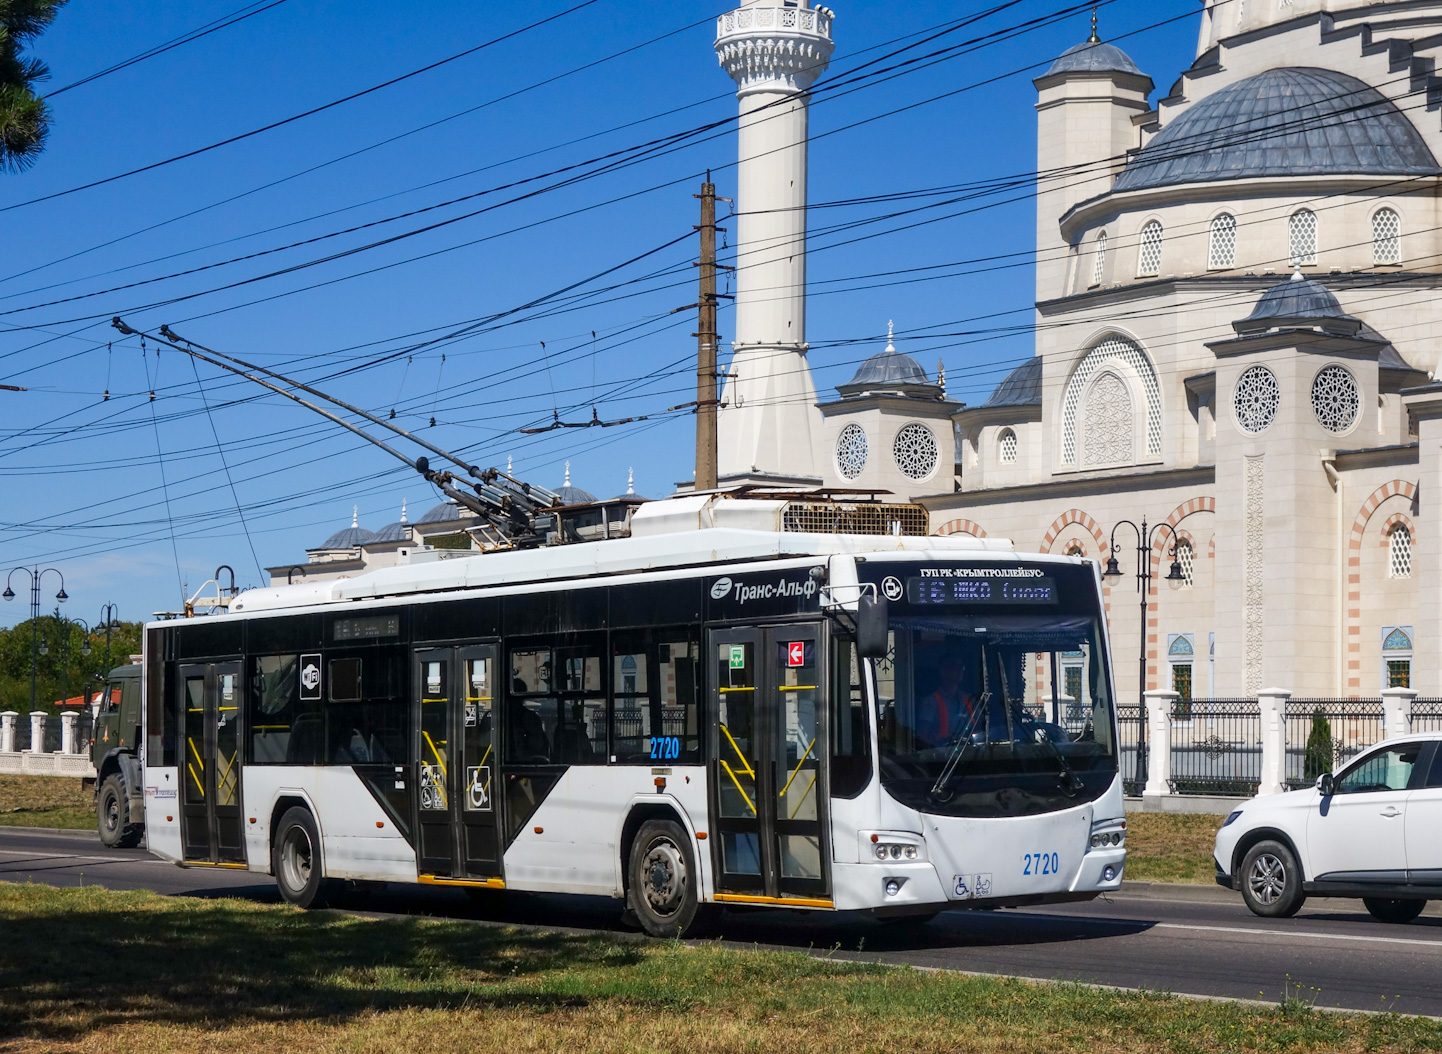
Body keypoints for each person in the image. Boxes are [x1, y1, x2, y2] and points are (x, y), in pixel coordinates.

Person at [912, 656, 976, 748]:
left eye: (961, 668)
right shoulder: (929, 702)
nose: (959, 671)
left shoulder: (970, 699)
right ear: (943, 671)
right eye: (954, 667)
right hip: (943, 755)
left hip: (972, 753)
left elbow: (980, 729)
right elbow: (923, 736)